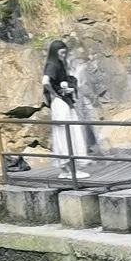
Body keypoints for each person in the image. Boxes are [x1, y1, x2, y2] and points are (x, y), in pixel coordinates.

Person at [43, 39, 96, 174]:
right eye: (61, 53)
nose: (63, 55)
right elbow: (45, 81)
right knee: (67, 132)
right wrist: (55, 94)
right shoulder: (53, 64)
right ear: (56, 52)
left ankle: (67, 170)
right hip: (60, 103)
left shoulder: (59, 63)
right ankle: (70, 170)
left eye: (65, 53)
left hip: (63, 100)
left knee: (68, 131)